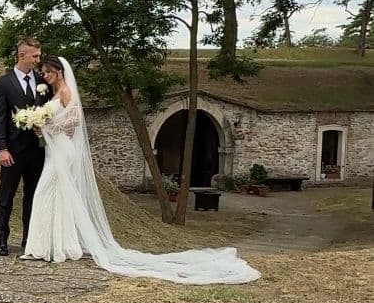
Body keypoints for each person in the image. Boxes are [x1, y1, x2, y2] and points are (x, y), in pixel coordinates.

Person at [21, 57, 260, 284]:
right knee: (56, 196)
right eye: (43, 73)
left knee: (45, 192)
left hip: (63, 152)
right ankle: (57, 246)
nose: (45, 76)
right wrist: (45, 128)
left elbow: (75, 120)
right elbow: (69, 126)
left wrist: (48, 125)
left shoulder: (65, 92)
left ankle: (48, 246)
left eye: (48, 72)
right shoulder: (55, 93)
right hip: (58, 150)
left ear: (59, 72)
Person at [0, 35, 53, 256]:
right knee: (6, 195)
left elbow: (50, 112)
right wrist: (2, 148)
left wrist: (44, 128)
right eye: (35, 55)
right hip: (13, 150)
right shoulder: (3, 83)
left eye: (39, 55)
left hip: (37, 150)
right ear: (22, 55)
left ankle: (29, 239)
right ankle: (2, 240)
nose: (38, 59)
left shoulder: (43, 83)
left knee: (33, 195)